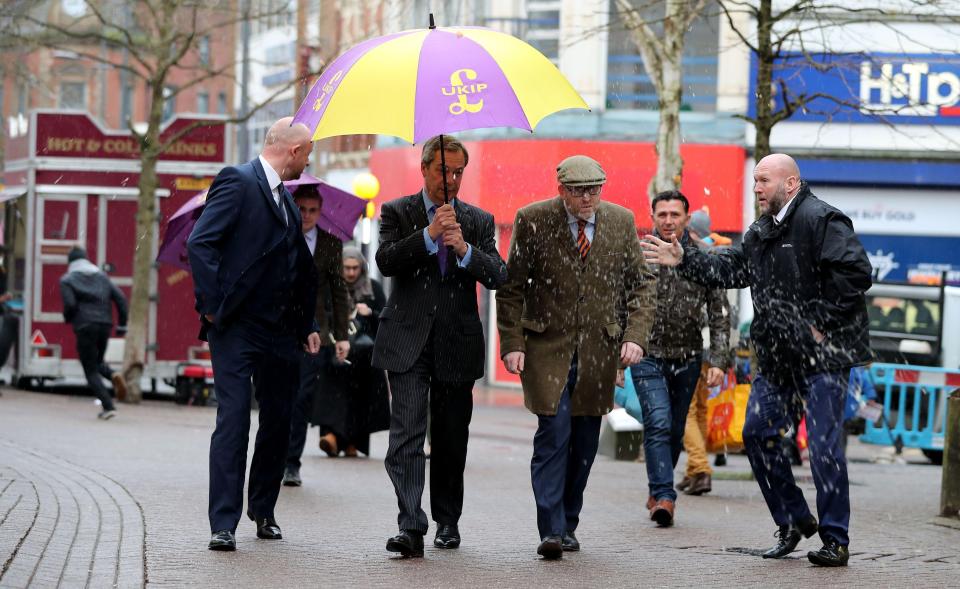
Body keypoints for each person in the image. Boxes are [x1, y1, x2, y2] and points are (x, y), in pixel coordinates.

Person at [641, 153, 873, 567]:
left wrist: (819, 322)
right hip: (779, 355)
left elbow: (856, 272)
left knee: (823, 448)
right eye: (755, 181)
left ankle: (835, 539)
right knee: (756, 433)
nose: (756, 187)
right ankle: (794, 520)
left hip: (824, 356)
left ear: (791, 183)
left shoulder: (822, 219)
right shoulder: (762, 229)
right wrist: (687, 259)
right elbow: (736, 269)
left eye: (763, 180)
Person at [497, 155, 657, 560]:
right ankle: (550, 529)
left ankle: (568, 521)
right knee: (553, 433)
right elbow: (511, 288)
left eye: (594, 190)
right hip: (546, 349)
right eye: (578, 191)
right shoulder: (532, 219)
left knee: (585, 443)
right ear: (561, 190)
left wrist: (634, 338)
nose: (588, 199)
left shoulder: (620, 221)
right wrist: (513, 342)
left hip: (599, 352)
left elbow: (642, 286)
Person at [187, 117, 322, 552]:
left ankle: (263, 511)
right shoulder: (237, 180)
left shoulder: (285, 200)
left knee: (279, 422)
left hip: (281, 331)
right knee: (234, 419)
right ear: (295, 151)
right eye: (309, 154)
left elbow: (298, 268)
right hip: (238, 327)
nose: (309, 163)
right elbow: (200, 243)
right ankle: (222, 523)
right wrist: (213, 306)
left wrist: (308, 326)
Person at [374, 135, 507, 558]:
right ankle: (410, 525)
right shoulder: (398, 211)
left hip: (457, 341)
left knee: (451, 438)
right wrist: (429, 236)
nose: (450, 179)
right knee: (406, 434)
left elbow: (499, 275)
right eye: (442, 171)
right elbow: (386, 261)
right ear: (425, 169)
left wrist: (464, 249)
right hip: (407, 340)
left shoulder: (480, 220)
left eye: (457, 172)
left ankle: (447, 519)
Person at [633, 191, 729, 526]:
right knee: (658, 423)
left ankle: (657, 486)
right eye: (662, 214)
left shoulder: (702, 257)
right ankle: (664, 495)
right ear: (652, 216)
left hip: (688, 357)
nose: (669, 220)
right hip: (646, 354)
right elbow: (619, 304)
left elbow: (720, 314)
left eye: (675, 214)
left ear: (687, 219)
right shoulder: (638, 254)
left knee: (674, 430)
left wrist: (718, 360)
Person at [281, 185, 350, 487]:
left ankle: (291, 462)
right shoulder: (279, 237)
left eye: (312, 210)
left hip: (315, 336)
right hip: (278, 331)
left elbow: (339, 293)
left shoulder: (331, 245)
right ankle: (272, 457)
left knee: (301, 399)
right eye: (301, 209)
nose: (306, 216)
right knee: (277, 398)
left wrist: (342, 334)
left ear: (320, 213)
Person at [311, 246, 390, 457]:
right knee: (333, 397)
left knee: (360, 401)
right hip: (335, 357)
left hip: (364, 361)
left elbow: (386, 319)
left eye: (355, 268)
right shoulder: (331, 288)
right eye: (346, 268)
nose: (351, 272)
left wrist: (370, 312)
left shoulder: (372, 288)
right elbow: (318, 316)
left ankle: (353, 442)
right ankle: (332, 438)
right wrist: (337, 317)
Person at [674, 207, 731, 496]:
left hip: (699, 346)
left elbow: (709, 310)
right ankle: (693, 470)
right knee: (699, 410)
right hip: (713, 348)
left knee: (686, 411)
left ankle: (700, 468)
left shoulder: (697, 256)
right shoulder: (717, 254)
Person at [59, 246, 129, 420]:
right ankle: (113, 374)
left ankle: (108, 406)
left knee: (90, 370)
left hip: (84, 326)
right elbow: (121, 299)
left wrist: (69, 318)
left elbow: (70, 305)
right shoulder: (102, 277)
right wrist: (121, 325)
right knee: (97, 362)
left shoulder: (67, 280)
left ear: (71, 262)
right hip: (105, 325)